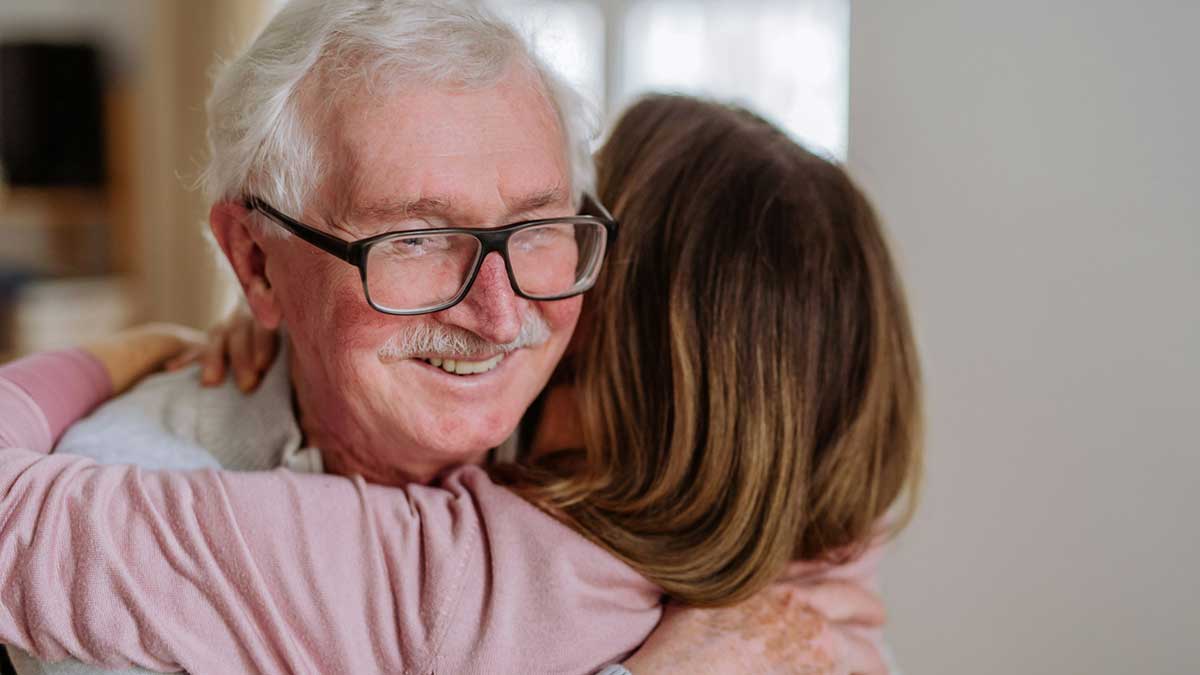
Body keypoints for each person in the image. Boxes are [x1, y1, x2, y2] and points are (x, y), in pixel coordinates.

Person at [0, 93, 918, 673]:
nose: (505, 299)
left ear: (612, 354)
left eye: (551, 239)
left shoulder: (453, 574)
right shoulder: (833, 580)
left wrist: (115, 353)